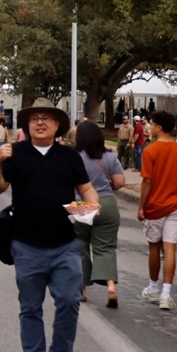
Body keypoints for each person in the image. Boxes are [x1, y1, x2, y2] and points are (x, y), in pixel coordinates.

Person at [0, 97, 99, 352]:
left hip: (65, 245)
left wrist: (85, 211)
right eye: (34, 118)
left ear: (57, 125)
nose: (40, 122)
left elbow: (87, 189)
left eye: (46, 118)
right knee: (31, 309)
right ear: (27, 125)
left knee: (68, 301)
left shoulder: (69, 156)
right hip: (26, 246)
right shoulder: (15, 153)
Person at [138, 110, 177, 310]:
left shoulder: (150, 151)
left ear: (159, 127)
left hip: (154, 206)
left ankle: (153, 287)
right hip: (175, 205)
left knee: (154, 247)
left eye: (151, 124)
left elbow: (147, 181)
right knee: (170, 249)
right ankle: (166, 294)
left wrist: (141, 207)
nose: (149, 127)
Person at [73, 122, 125, 308]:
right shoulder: (110, 157)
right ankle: (111, 287)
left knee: (80, 246)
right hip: (108, 204)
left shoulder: (75, 157)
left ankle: (82, 290)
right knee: (106, 247)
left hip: (81, 204)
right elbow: (120, 182)